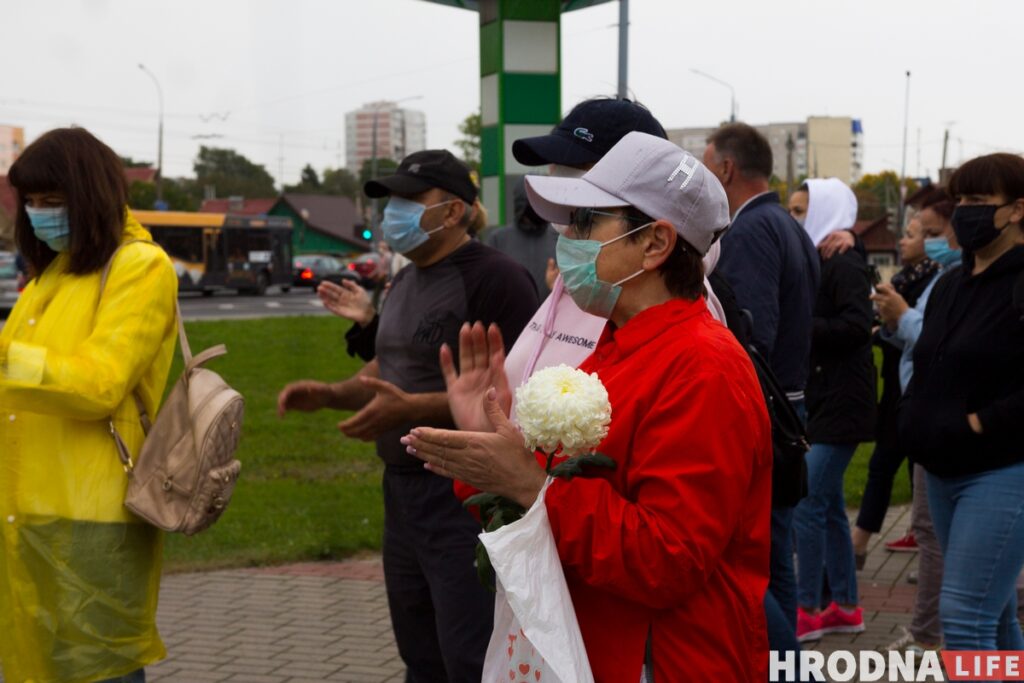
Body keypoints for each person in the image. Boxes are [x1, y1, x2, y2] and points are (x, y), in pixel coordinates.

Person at [404, 132, 774, 680]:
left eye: (585, 223)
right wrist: (488, 441)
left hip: (666, 659)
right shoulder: (617, 346)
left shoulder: (703, 368)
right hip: (596, 650)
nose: (565, 239)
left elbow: (668, 559)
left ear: (655, 244)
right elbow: (551, 504)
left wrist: (531, 485)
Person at [277, 149, 538, 682]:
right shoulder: (404, 279)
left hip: (463, 495)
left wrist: (412, 411)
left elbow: (515, 395)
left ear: (454, 211)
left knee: (469, 655)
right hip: (401, 496)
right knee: (419, 654)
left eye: (407, 201)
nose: (391, 212)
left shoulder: (497, 279)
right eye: (389, 200)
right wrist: (331, 393)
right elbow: (387, 366)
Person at [0, 127, 179, 683]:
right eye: (30, 202)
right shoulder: (54, 272)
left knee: (98, 669)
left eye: (52, 201)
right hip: (25, 506)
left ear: (92, 193)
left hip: (90, 514)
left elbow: (98, 383)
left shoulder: (139, 266)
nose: (38, 214)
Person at [703, 123, 820, 656]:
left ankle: (787, 665)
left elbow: (750, 337)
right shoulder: (788, 224)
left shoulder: (749, 231)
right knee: (777, 563)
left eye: (705, 165)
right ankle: (786, 663)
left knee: (756, 570)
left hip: (764, 421)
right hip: (789, 413)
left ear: (726, 168)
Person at [900, 153, 1024, 653]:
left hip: (1001, 469)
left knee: (965, 618)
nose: (966, 211)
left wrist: (978, 422)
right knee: (993, 618)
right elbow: (928, 362)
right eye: (962, 200)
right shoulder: (952, 282)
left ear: (1016, 210)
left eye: (979, 201)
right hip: (941, 470)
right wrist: (913, 418)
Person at [875, 187, 962, 654]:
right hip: (934, 417)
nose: (927, 241)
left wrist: (903, 317)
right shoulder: (948, 277)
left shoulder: (962, 278)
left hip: (953, 426)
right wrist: (894, 324)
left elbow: (939, 342)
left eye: (933, 232)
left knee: (938, 539)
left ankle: (931, 634)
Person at [789, 178, 875, 642]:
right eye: (793, 210)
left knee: (807, 502)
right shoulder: (824, 256)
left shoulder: (843, 261)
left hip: (842, 403)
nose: (796, 218)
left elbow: (858, 326)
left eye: (803, 209)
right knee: (830, 508)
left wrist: (804, 323)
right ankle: (844, 606)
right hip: (827, 400)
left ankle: (808, 609)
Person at [485, 177, 558, 295]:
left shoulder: (559, 239)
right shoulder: (498, 239)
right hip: (512, 311)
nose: (538, 210)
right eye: (533, 204)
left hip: (551, 311)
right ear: (521, 205)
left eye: (541, 202)